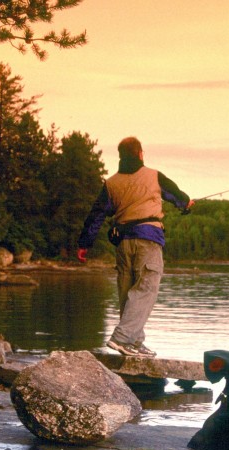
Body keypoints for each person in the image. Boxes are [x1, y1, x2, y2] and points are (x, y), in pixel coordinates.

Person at [76, 137, 194, 358]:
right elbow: (178, 197)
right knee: (146, 289)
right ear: (140, 153)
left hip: (123, 243)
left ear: (121, 156)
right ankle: (122, 339)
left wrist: (84, 244)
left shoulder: (111, 184)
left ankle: (134, 342)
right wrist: (186, 204)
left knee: (128, 292)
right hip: (148, 239)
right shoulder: (154, 176)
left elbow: (96, 215)